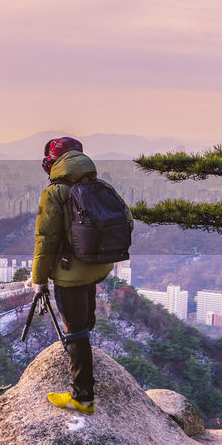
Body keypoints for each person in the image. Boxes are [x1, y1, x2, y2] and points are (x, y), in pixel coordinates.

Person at [24, 137, 129, 414]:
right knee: (86, 319)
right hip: (97, 266)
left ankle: (82, 397)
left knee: (76, 331)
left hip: (70, 272)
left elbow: (45, 240)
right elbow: (127, 221)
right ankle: (85, 363)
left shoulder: (55, 193)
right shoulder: (101, 187)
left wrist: (39, 279)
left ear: (53, 163)